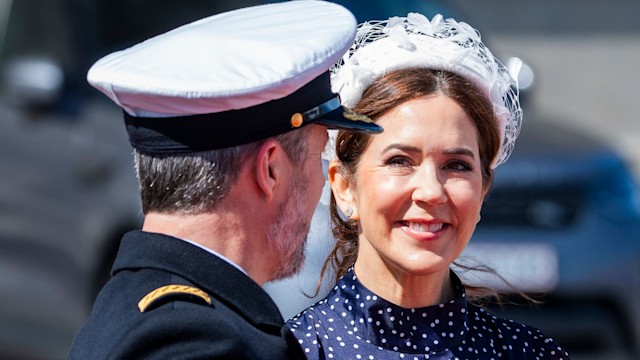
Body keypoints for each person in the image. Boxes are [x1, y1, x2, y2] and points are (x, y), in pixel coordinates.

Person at [67, 1, 383, 359]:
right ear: (270, 169)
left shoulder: (139, 305)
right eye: (317, 157)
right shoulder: (203, 343)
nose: (320, 183)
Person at [286, 13, 571, 359]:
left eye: (457, 165)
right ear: (344, 186)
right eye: (400, 161)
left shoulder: (528, 354)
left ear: (482, 190)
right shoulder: (294, 351)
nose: (431, 191)